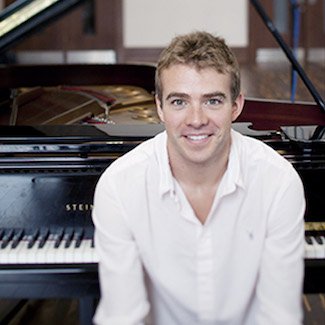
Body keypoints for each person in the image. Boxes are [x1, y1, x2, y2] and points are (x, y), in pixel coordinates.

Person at [92, 31, 305, 325]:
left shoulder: (278, 183)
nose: (196, 119)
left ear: (236, 106)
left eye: (212, 101)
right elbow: (123, 317)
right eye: (179, 102)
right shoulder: (118, 186)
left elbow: (278, 317)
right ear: (159, 107)